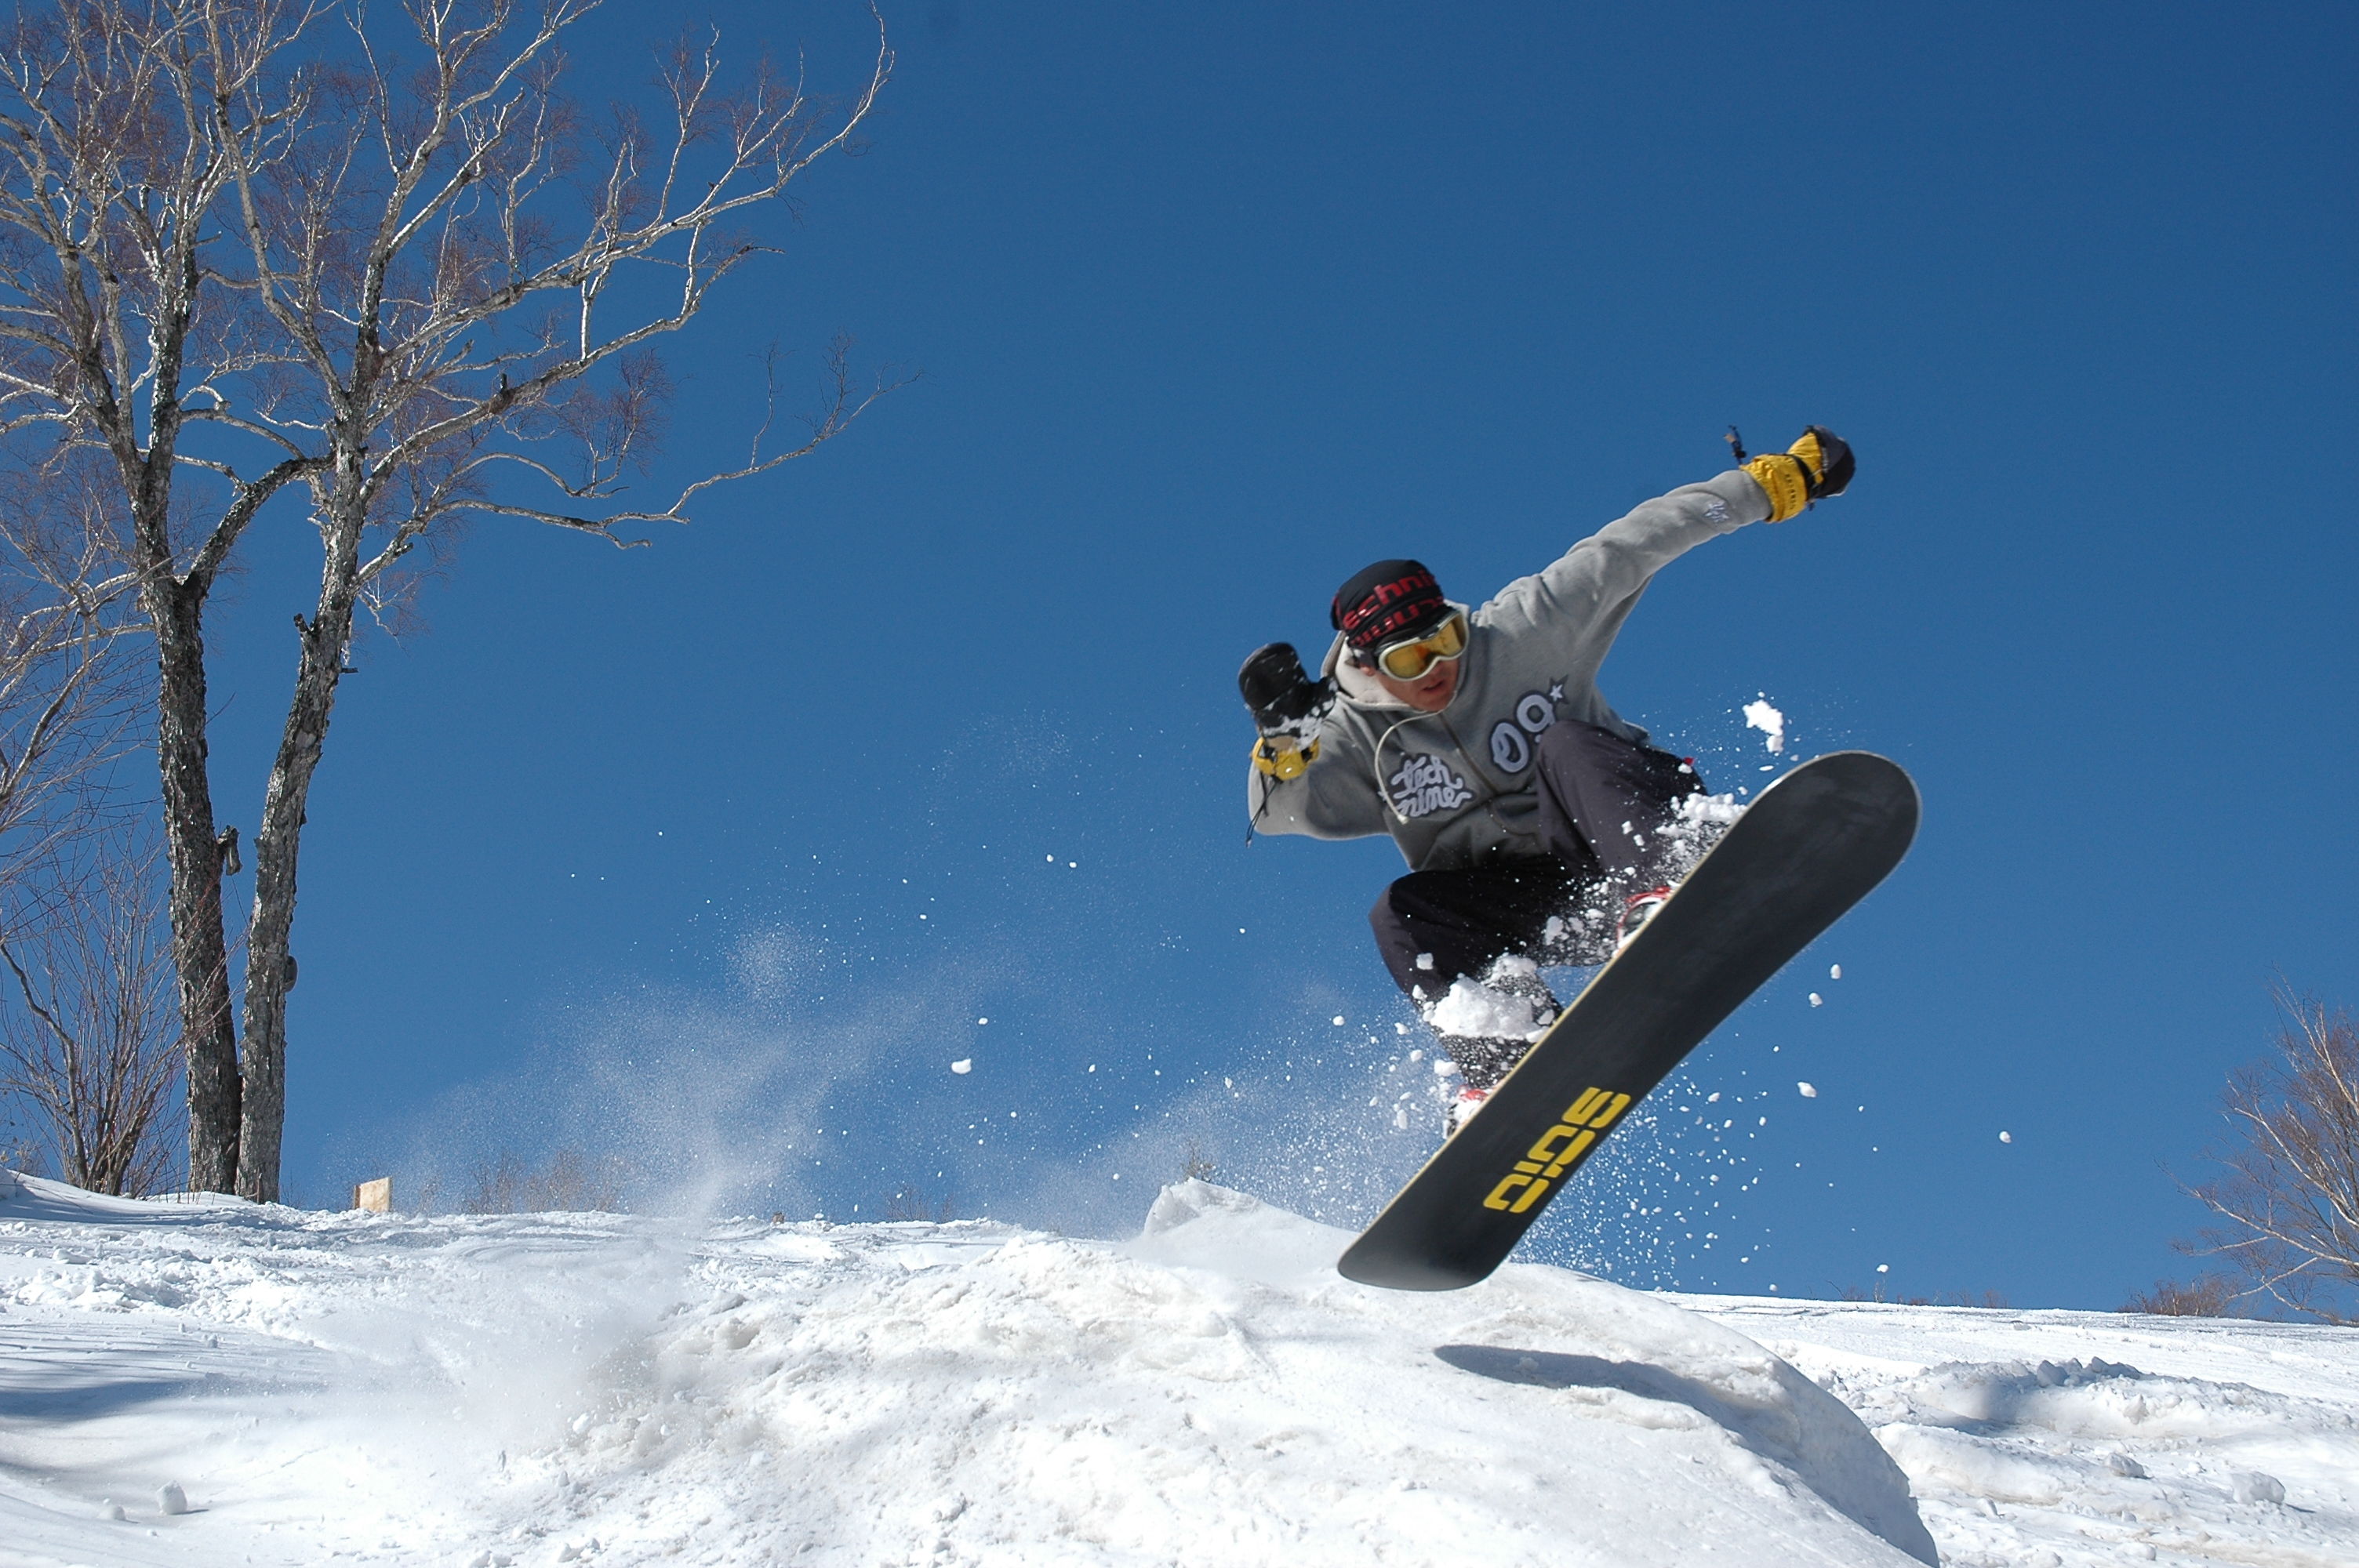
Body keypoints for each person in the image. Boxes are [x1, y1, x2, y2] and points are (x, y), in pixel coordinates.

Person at [1238, 426, 1853, 1129]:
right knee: (1401, 912)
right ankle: (1505, 1055)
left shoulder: (1526, 628)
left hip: (1625, 837)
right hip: (1552, 910)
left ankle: (1675, 879)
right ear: (1370, 669)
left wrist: (1776, 485)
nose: (1438, 669)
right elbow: (1274, 816)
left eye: (1444, 641)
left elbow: (1637, 541)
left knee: (1562, 742)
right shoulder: (1351, 739)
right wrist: (1282, 745)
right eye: (1411, 662)